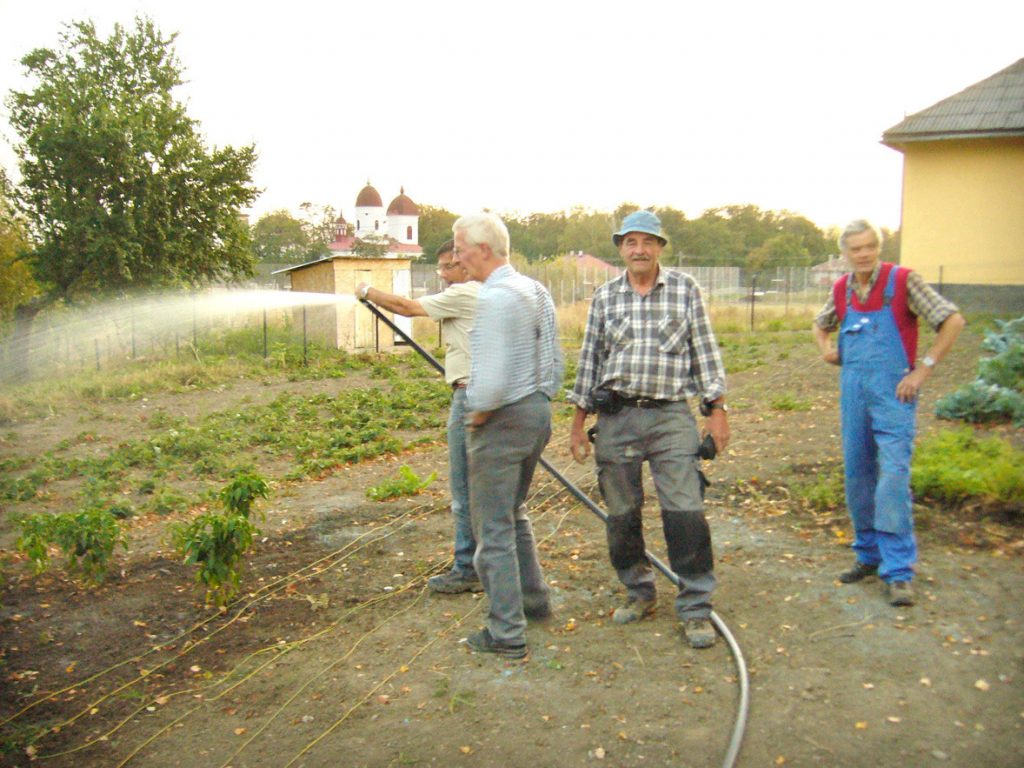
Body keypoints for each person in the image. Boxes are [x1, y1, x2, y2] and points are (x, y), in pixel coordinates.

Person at [569, 210, 729, 650]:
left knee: (685, 510)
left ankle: (696, 607)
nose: (639, 250)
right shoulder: (605, 298)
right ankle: (638, 590)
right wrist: (579, 423)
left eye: (647, 241)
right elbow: (590, 360)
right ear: (620, 248)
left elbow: (705, 352)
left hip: (670, 417)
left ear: (660, 247)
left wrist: (717, 410)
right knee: (621, 513)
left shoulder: (684, 290)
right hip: (617, 419)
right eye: (630, 242)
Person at [813, 219, 964, 607]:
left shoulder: (903, 281)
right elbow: (821, 324)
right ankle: (868, 556)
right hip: (854, 392)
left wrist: (923, 367)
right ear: (845, 253)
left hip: (895, 393)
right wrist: (826, 348)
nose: (863, 255)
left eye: (869, 247)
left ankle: (898, 571)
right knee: (858, 475)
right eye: (855, 249)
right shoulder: (842, 288)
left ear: (878, 248)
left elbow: (952, 320)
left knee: (893, 478)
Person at [452, 211, 563, 659]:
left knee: (491, 527)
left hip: (503, 419)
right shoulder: (535, 290)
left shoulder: (495, 300)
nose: (457, 258)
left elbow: (493, 380)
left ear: (482, 250)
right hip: (537, 410)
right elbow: (555, 360)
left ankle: (506, 633)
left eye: (460, 249)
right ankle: (534, 602)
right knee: (513, 513)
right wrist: (540, 398)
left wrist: (479, 412)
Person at [355, 240, 482, 594]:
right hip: (487, 393)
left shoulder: (465, 292)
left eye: (446, 267)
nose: (441, 274)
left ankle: (466, 566)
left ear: (465, 265)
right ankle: (489, 563)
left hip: (470, 395)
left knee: (463, 489)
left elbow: (405, 307)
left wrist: (367, 290)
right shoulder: (486, 293)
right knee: (486, 489)